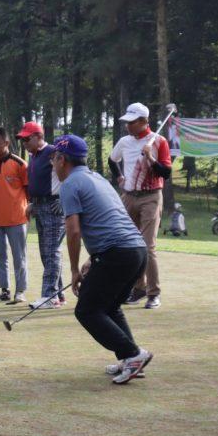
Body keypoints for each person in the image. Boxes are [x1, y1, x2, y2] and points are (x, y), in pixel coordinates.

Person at [51, 134, 153, 384]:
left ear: (62, 159)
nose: (52, 163)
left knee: (86, 310)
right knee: (109, 307)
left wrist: (74, 269)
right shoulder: (98, 178)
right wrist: (93, 258)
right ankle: (130, 359)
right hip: (136, 251)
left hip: (118, 253)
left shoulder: (69, 185)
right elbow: (110, 219)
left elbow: (73, 231)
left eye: (54, 158)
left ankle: (133, 354)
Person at [109, 103, 172, 309]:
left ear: (144, 121)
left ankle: (153, 293)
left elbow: (166, 173)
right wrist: (119, 176)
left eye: (132, 122)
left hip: (150, 197)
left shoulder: (159, 141)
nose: (128, 126)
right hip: (128, 196)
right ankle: (138, 288)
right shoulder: (124, 141)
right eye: (127, 122)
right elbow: (112, 160)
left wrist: (151, 158)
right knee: (129, 245)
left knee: (147, 246)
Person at [17, 121, 67, 309]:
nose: (24, 143)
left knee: (52, 252)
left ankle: (49, 296)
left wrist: (63, 199)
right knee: (46, 253)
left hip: (54, 206)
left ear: (38, 136)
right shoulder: (34, 155)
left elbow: (70, 175)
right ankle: (58, 295)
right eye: (22, 140)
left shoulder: (53, 152)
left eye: (27, 139)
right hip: (39, 206)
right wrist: (32, 203)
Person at [0, 127, 29, 303]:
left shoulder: (20, 164)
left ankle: (20, 291)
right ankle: (4, 290)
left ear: (7, 143)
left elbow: (28, 191)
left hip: (17, 218)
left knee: (19, 257)